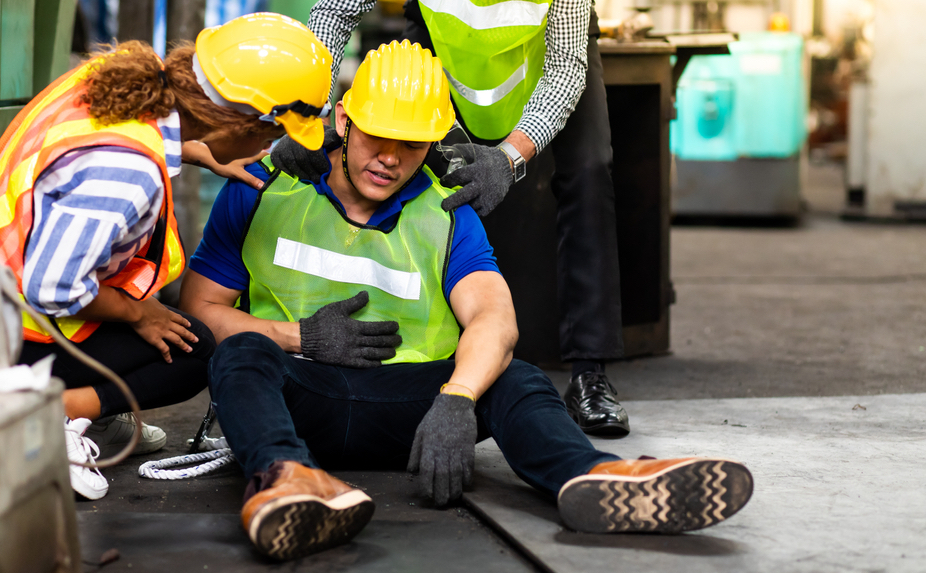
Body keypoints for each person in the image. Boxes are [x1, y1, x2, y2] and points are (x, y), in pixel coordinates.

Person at [181, 41, 752, 562]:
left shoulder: (447, 211)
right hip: (301, 394)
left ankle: (596, 477)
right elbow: (200, 311)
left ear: (434, 142)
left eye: (411, 143)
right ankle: (288, 481)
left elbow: (493, 317)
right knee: (241, 354)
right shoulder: (261, 188)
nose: (390, 158)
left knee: (517, 377)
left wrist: (457, 399)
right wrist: (300, 337)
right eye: (377, 135)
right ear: (343, 119)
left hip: (416, 412)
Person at [0, 13, 333, 500]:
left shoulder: (123, 72)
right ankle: (41, 417)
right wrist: (138, 312)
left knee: (172, 332)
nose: (268, 146)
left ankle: (89, 411)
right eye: (270, 132)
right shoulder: (126, 172)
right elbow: (52, 287)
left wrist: (198, 150)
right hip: (1, 333)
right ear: (240, 122)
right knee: (192, 350)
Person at [265, 0, 630, 438]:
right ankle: (429, 353)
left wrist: (510, 156)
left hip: (547, 56)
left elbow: (566, 69)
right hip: (443, 43)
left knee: (590, 169)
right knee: (427, 170)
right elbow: (334, 12)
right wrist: (309, 115)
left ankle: (590, 373)